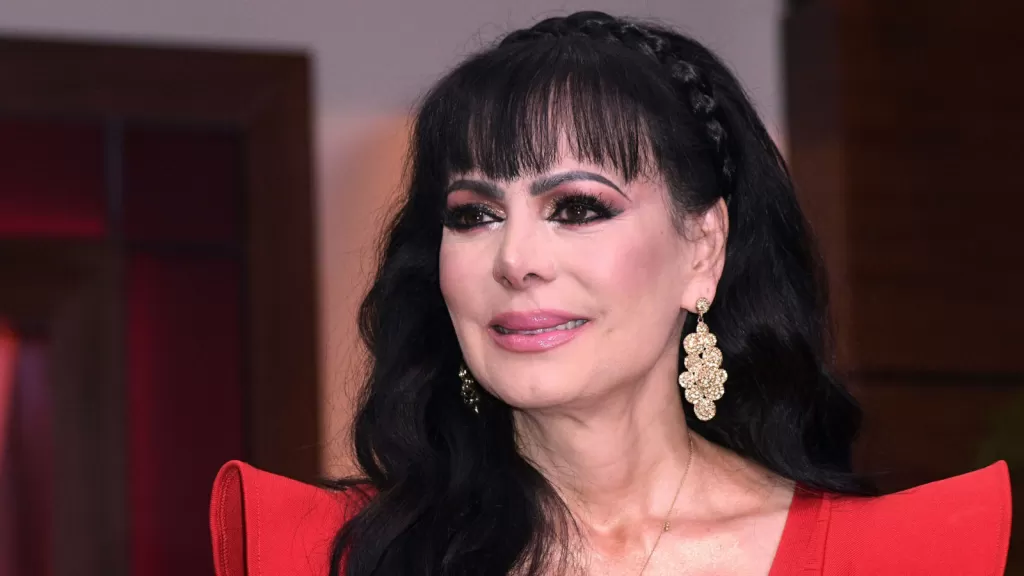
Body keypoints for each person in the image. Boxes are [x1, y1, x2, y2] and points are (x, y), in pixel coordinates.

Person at [209, 11, 1011, 576]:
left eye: (578, 208)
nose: (515, 260)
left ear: (703, 248)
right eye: (475, 214)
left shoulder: (901, 554)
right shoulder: (316, 552)